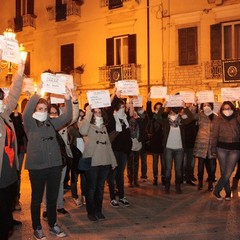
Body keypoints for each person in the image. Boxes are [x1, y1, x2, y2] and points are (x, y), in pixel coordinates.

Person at [23, 89, 72, 239]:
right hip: (37, 167)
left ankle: (52, 224)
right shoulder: (29, 122)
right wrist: (38, 92)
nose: (43, 111)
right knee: (36, 199)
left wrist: (68, 98)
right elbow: (26, 111)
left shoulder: (51, 123)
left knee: (52, 198)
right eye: (40, 109)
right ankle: (37, 227)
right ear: (35, 110)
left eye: (45, 109)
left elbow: (68, 116)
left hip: (54, 166)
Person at [0, 61, 25, 240]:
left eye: (2, 99)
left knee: (7, 204)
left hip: (9, 171)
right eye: (0, 99)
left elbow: (14, 94)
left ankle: (8, 222)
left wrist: (21, 69)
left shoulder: (3, 115)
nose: (3, 102)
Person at [42, 98, 79, 219]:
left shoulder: (62, 124)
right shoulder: (43, 124)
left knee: (60, 183)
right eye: (51, 113)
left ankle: (60, 206)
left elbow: (74, 116)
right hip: (47, 158)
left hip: (62, 158)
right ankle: (47, 208)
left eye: (55, 113)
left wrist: (74, 101)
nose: (53, 115)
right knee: (47, 185)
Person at [79, 105, 117, 221]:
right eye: (95, 112)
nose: (98, 114)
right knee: (91, 188)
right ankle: (91, 212)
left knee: (100, 188)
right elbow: (82, 131)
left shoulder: (104, 127)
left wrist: (113, 161)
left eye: (99, 112)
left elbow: (108, 145)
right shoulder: (87, 125)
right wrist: (89, 112)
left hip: (104, 161)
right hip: (92, 161)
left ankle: (98, 210)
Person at [107, 89, 133, 208]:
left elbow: (131, 113)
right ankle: (113, 197)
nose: (123, 108)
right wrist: (115, 96)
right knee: (112, 174)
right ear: (117, 108)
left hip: (124, 151)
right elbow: (110, 109)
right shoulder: (112, 119)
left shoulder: (125, 119)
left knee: (120, 174)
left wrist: (131, 100)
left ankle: (121, 195)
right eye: (121, 106)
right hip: (114, 150)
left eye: (124, 106)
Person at [161, 105, 194, 194]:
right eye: (171, 109)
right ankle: (167, 186)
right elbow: (158, 116)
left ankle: (178, 186)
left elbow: (191, 117)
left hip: (179, 148)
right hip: (168, 148)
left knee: (179, 170)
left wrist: (185, 106)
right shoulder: (165, 120)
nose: (172, 112)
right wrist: (164, 105)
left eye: (174, 110)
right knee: (167, 169)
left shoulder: (181, 120)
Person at [211, 101, 240, 200]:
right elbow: (214, 135)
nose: (227, 110)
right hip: (221, 148)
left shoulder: (237, 117)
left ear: (233, 108)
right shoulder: (218, 119)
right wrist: (213, 148)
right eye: (224, 108)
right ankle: (228, 192)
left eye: (229, 108)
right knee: (224, 171)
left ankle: (216, 190)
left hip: (235, 148)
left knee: (229, 171)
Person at [193, 102, 217, 191]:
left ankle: (210, 182)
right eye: (205, 105)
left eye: (209, 105)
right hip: (201, 143)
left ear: (212, 106)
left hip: (211, 144)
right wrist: (195, 106)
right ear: (202, 107)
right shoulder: (200, 115)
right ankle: (200, 182)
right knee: (200, 166)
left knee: (212, 167)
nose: (207, 107)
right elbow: (192, 116)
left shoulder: (216, 117)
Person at [10, 104, 27, 211]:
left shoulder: (19, 116)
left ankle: (16, 199)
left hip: (18, 150)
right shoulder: (4, 115)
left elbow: (20, 133)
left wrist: (16, 116)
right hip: (8, 150)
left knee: (17, 174)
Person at [146, 96, 164, 186]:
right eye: (156, 108)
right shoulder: (152, 116)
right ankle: (155, 177)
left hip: (163, 141)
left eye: (160, 108)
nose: (158, 110)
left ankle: (164, 177)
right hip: (155, 141)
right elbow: (148, 111)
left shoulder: (164, 117)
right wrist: (149, 100)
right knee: (155, 161)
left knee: (163, 161)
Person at [127, 111, 142, 187]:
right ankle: (130, 179)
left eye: (136, 114)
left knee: (136, 163)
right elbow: (132, 132)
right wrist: (133, 120)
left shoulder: (140, 121)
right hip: (130, 143)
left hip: (137, 143)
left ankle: (135, 179)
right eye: (133, 114)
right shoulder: (129, 121)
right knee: (130, 163)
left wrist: (138, 120)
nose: (134, 115)